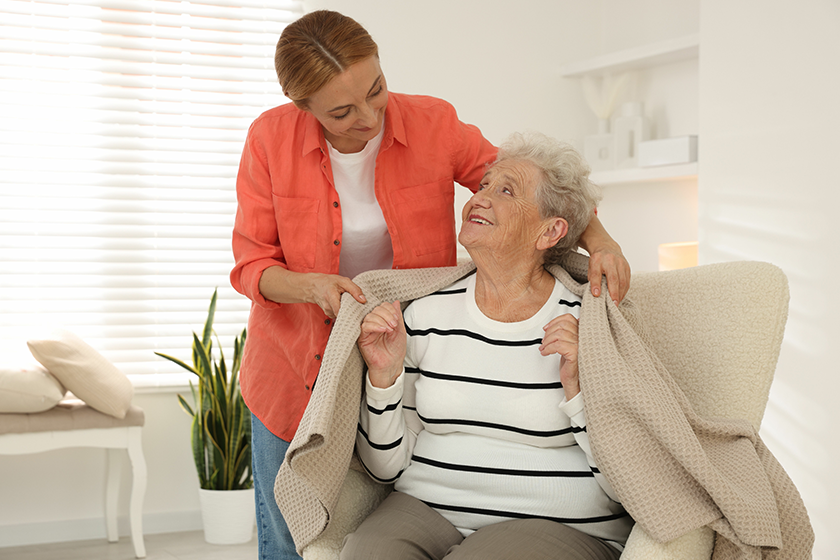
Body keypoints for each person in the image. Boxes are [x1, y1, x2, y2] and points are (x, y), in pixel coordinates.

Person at [229, 10, 631, 560]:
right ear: (304, 107)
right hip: (294, 364)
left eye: (376, 90)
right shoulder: (269, 139)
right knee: (288, 540)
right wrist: (313, 288)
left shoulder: (432, 125)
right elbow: (251, 265)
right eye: (342, 112)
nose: (369, 117)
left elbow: (532, 187)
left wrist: (602, 240)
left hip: (400, 340)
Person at [344, 132, 634, 560]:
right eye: (483, 186)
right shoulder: (424, 314)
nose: (479, 198)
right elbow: (385, 467)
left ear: (549, 231)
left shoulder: (587, 321)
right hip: (427, 507)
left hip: (556, 523)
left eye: (506, 191)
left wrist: (576, 387)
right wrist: (384, 380)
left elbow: (630, 480)